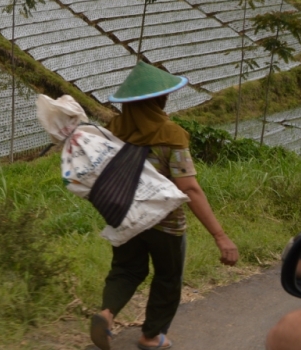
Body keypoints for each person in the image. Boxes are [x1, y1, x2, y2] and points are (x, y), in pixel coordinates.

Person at [89, 61, 239, 350]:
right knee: (168, 278)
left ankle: (106, 315)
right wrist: (220, 235)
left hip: (125, 218)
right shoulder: (171, 134)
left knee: (126, 270)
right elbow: (189, 188)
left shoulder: (114, 129)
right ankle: (151, 336)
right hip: (166, 223)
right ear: (158, 100)